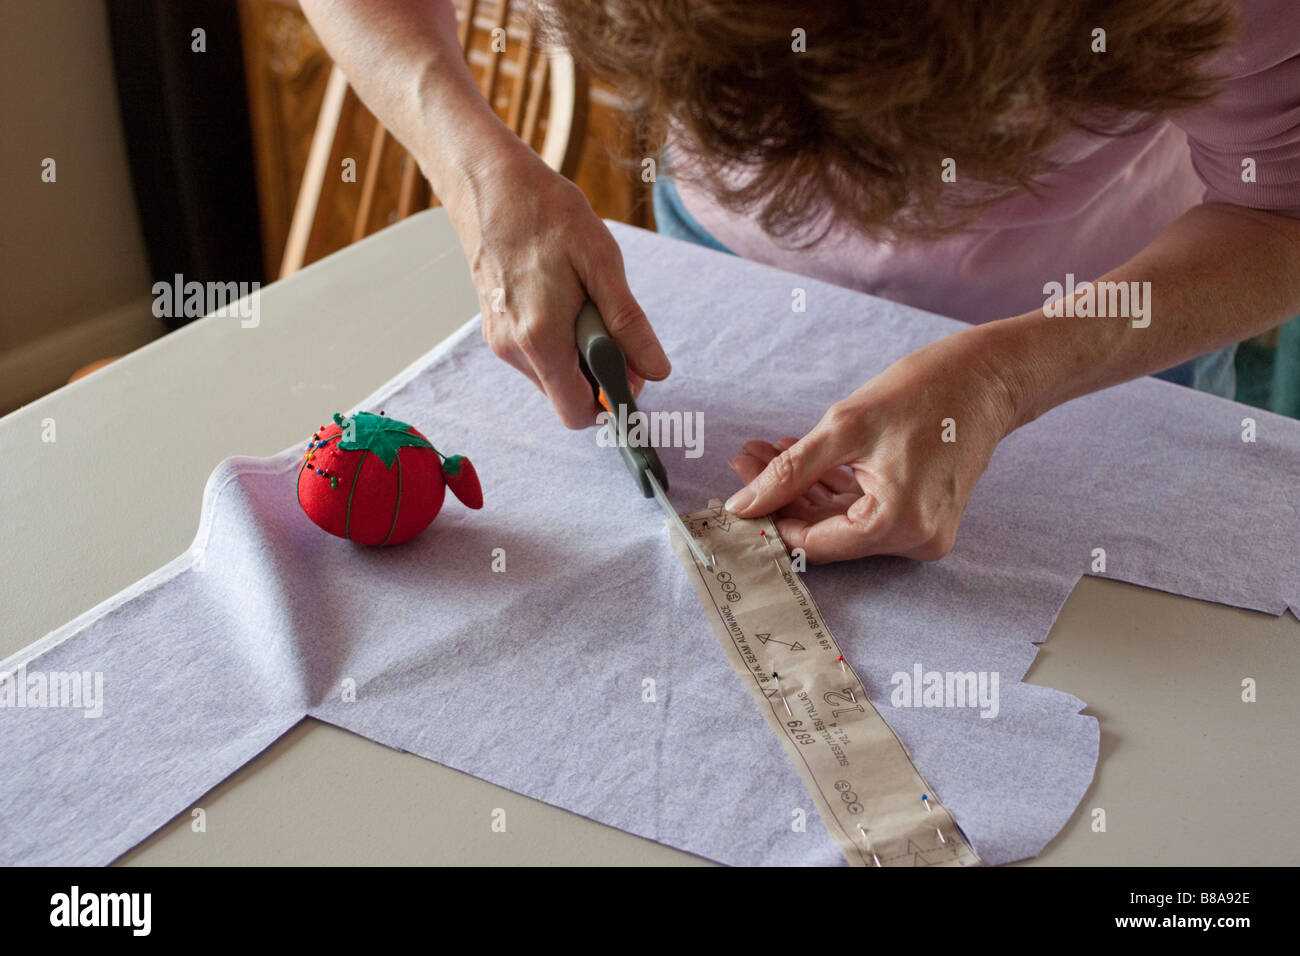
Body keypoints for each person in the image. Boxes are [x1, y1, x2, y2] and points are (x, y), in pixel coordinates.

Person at [300, 0, 1300, 562]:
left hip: (1113, 312)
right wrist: (477, 170)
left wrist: (1006, 376)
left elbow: (1283, 213)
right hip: (720, 262)